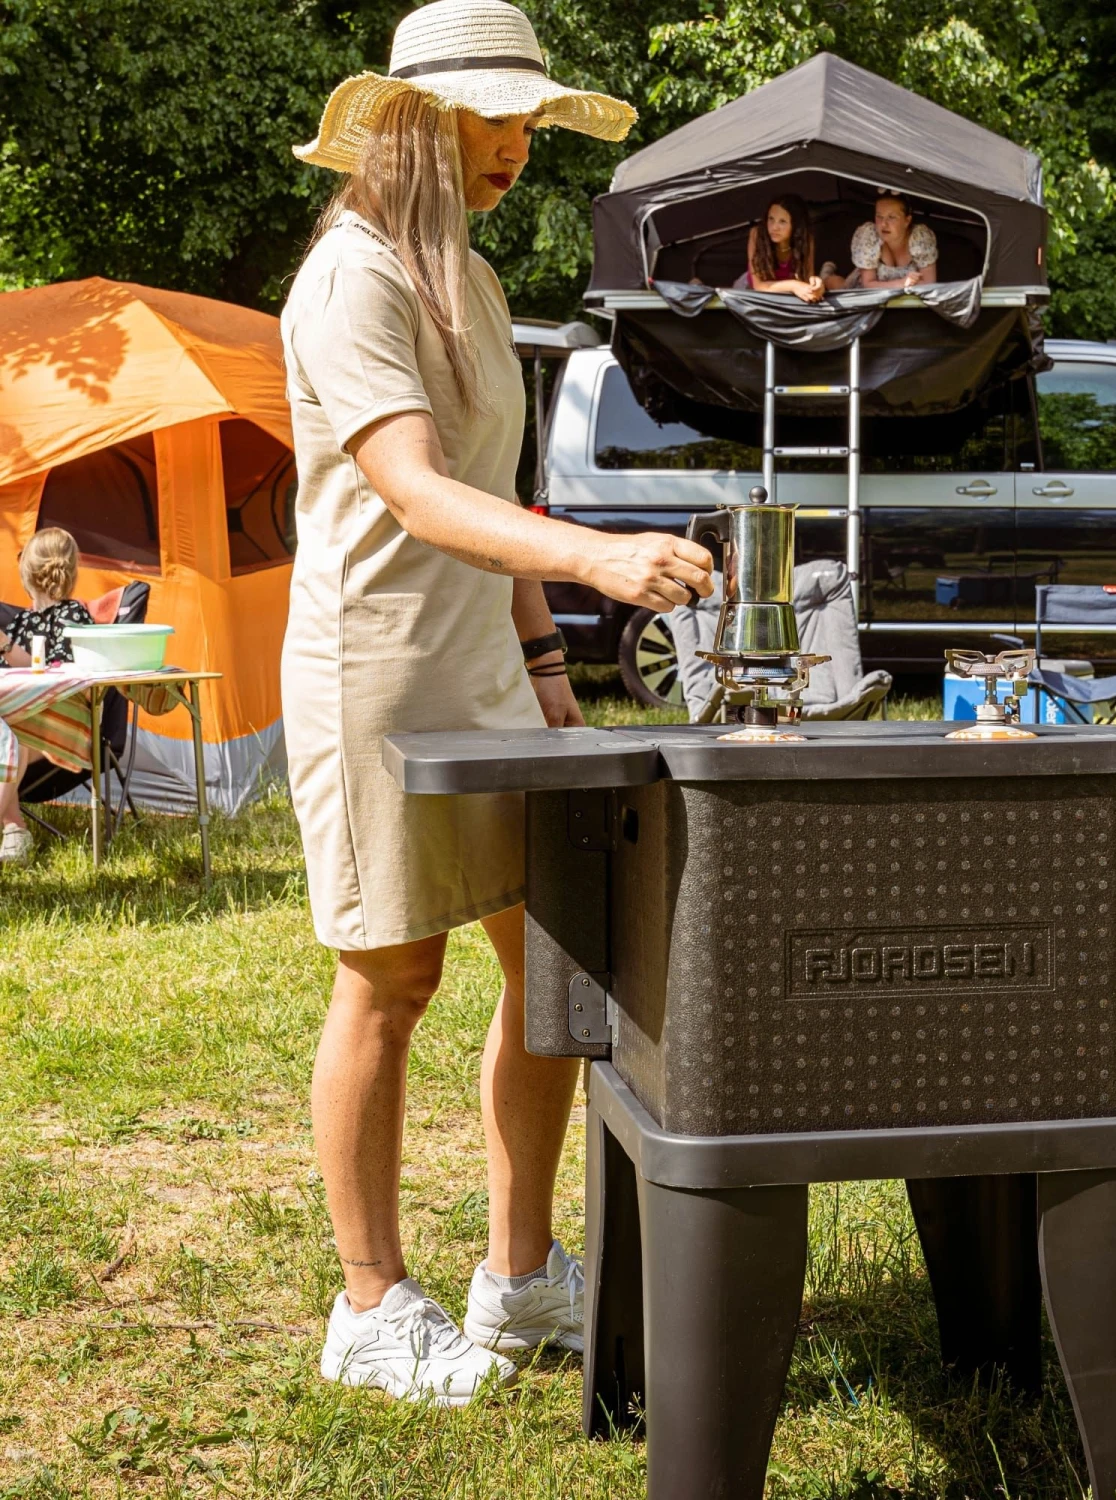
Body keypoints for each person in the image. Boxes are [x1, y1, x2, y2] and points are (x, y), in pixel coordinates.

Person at [283, 0, 713, 1408]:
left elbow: (488, 501)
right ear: (411, 121)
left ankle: (518, 1282)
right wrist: (594, 559)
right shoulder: (350, 282)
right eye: (497, 117)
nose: (521, 143)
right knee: (392, 978)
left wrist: (546, 675)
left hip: (484, 670)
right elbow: (410, 490)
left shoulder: (458, 267)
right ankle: (368, 1304)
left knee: (551, 976)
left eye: (529, 119)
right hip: (377, 669)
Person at [0, 528, 95, 864]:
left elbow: (52, 676)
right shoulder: (21, 621)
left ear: (27, 572)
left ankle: (13, 828)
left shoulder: (73, 617)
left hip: (63, 726)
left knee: (10, 737)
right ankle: (14, 829)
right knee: (7, 735)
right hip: (19, 721)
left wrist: (5, 645)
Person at [840, 192, 939, 290]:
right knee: (839, 287)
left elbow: (929, 283)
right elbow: (868, 284)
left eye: (892, 217)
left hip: (909, 300)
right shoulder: (870, 236)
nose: (884, 224)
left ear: (907, 221)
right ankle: (828, 275)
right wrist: (901, 284)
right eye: (879, 216)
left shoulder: (920, 238)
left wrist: (904, 285)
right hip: (870, 296)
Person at [744, 195, 826, 302]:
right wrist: (793, 285)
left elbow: (805, 279)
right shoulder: (757, 235)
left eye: (782, 221)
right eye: (771, 219)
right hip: (753, 293)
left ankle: (826, 273)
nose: (774, 227)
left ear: (796, 225)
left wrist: (816, 286)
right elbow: (759, 286)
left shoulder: (805, 240)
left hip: (790, 295)